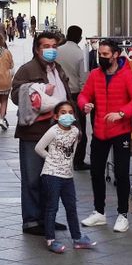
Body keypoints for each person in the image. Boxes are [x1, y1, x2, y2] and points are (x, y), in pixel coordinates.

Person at [78, 39, 132, 233]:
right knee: (96, 172)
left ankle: (123, 214)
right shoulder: (95, 74)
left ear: (116, 55)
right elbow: (84, 95)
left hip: (121, 131)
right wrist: (84, 104)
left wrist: (122, 113)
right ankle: (99, 212)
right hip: (100, 131)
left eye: (105, 54)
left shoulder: (127, 75)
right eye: (100, 54)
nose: (101, 57)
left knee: (122, 173)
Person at [11, 32, 71, 236]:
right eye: (46, 46)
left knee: (52, 177)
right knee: (33, 177)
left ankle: (48, 218)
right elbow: (15, 95)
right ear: (37, 49)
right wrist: (38, 90)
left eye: (54, 46)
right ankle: (31, 220)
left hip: (57, 132)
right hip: (34, 132)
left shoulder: (58, 69)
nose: (51, 50)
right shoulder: (27, 69)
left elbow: (67, 97)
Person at [35, 102, 97, 254]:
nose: (67, 115)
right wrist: (51, 159)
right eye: (63, 113)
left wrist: (68, 165)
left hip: (67, 176)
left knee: (71, 207)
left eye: (70, 112)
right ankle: (50, 240)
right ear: (56, 116)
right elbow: (39, 148)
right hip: (51, 174)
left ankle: (77, 238)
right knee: (52, 207)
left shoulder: (75, 131)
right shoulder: (53, 131)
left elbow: (72, 152)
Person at [55, 25, 91, 171]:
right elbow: (83, 79)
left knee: (59, 127)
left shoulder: (57, 51)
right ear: (80, 38)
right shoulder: (81, 54)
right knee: (79, 128)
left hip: (58, 93)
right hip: (75, 95)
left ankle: (58, 158)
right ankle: (78, 161)